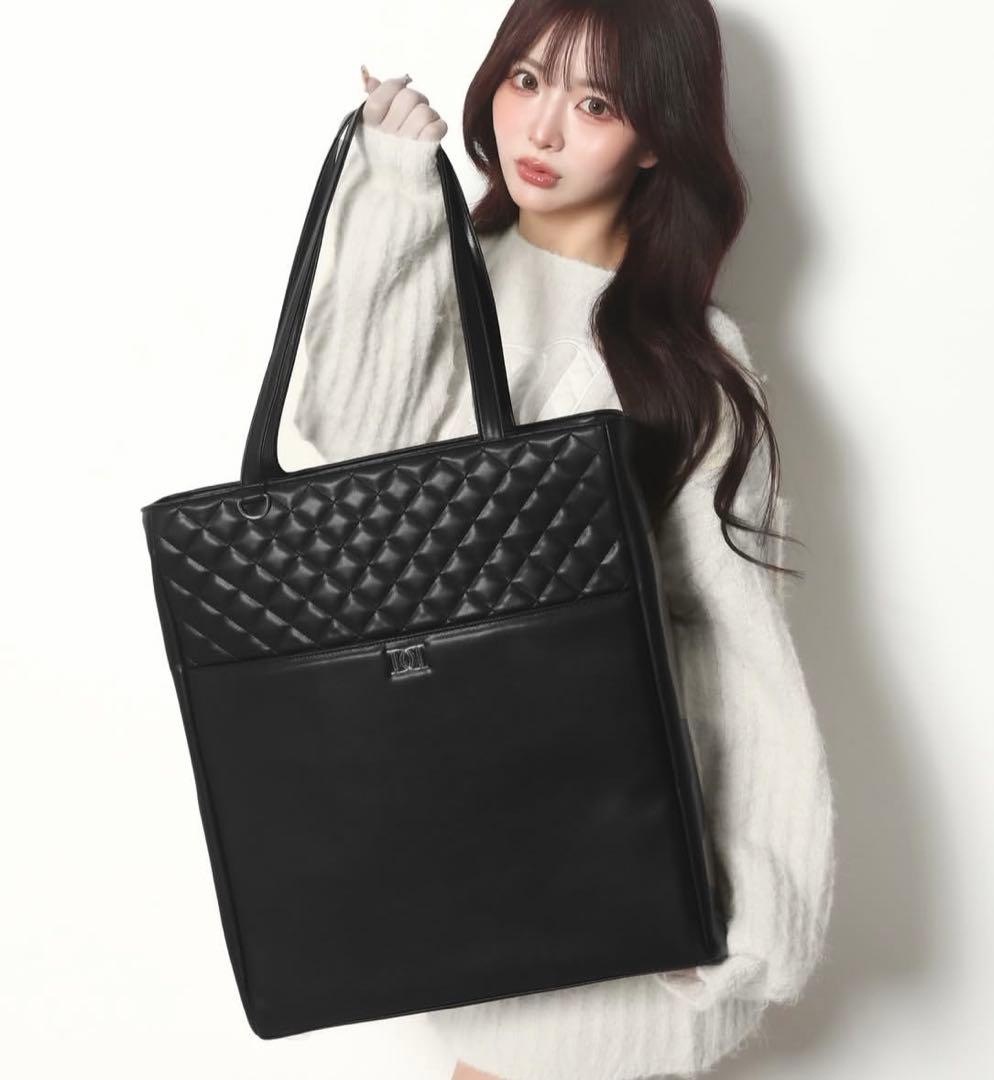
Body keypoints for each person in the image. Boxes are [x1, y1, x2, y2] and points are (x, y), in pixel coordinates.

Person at [279, 3, 836, 1078]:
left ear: (657, 136)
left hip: (625, 856)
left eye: (596, 103)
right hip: (458, 831)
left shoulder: (689, 362)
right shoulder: (439, 274)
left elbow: (737, 642)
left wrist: (757, 898)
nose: (541, 130)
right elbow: (349, 433)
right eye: (527, 80)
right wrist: (390, 188)